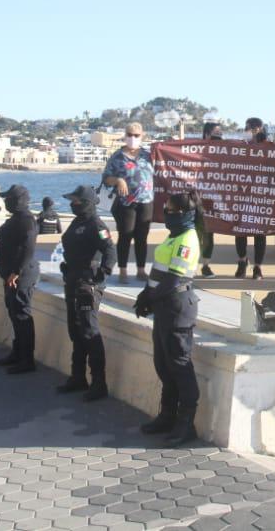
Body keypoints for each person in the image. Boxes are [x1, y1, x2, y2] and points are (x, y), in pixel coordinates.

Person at [134, 190, 203, 446]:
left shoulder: (187, 239)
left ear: (186, 214)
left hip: (177, 307)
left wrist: (151, 298)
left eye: (172, 211)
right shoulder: (173, 236)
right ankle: (167, 415)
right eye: (167, 210)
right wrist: (145, 295)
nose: (168, 215)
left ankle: (186, 424)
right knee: (163, 364)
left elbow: (175, 279)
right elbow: (158, 272)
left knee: (180, 365)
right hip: (163, 305)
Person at [57, 186, 116, 401]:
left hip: (86, 285)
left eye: (77, 201)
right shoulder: (77, 222)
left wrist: (100, 275)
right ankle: (78, 377)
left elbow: (110, 250)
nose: (73, 204)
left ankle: (99, 383)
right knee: (75, 329)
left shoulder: (96, 224)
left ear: (87, 203)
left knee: (89, 331)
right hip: (72, 281)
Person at [0, 185, 40, 374]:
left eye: (10, 199)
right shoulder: (16, 218)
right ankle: (17, 351)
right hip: (10, 273)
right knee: (14, 312)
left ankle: (26, 359)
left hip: (21, 274)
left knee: (22, 314)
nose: (6, 202)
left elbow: (28, 248)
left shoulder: (27, 220)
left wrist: (16, 271)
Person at [102, 122, 154, 283]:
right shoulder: (117, 157)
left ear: (142, 136)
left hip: (146, 201)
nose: (133, 138)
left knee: (142, 237)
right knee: (125, 235)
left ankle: (141, 270)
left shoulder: (148, 155)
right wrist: (118, 180)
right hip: (125, 203)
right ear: (125, 136)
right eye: (130, 135)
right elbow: (105, 179)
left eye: (136, 135)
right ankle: (123, 270)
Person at [234, 122, 269, 280]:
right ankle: (242, 261)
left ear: (261, 130)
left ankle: (258, 267)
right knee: (240, 231)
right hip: (242, 194)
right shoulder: (239, 147)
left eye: (255, 129)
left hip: (261, 196)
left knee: (259, 233)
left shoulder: (269, 147)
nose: (252, 132)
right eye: (248, 129)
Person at [197, 122, 227, 277]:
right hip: (196, 199)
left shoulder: (224, 152)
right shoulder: (195, 150)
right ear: (207, 134)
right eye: (216, 132)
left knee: (209, 235)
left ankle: (206, 266)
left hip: (213, 200)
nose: (219, 135)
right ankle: (189, 266)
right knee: (194, 234)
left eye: (221, 132)